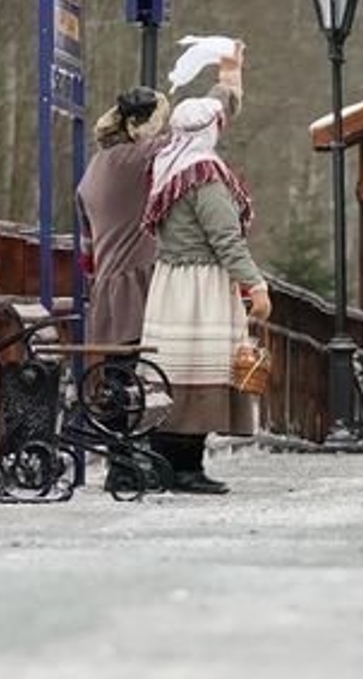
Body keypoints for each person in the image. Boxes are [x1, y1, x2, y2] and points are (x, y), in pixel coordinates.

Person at [77, 47, 242, 492]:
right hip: (143, 285)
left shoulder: (95, 168)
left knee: (124, 379)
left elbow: (87, 248)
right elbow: (196, 128)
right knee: (174, 372)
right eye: (159, 119)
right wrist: (226, 83)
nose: (168, 127)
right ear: (135, 125)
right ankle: (178, 464)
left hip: (109, 290)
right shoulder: (139, 159)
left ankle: (126, 463)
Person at [139, 94, 271, 495]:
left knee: (174, 373)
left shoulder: (166, 166)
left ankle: (167, 461)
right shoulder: (205, 174)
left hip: (171, 283)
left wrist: (230, 81)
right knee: (200, 372)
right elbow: (226, 238)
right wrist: (256, 285)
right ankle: (186, 467)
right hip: (200, 287)